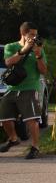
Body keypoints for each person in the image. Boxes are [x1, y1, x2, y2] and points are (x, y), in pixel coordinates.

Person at [0, 22, 48, 159]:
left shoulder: (39, 49)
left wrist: (38, 55)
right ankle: (13, 139)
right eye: (32, 34)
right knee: (4, 117)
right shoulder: (11, 46)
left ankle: (35, 147)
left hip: (30, 88)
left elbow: (44, 70)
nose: (35, 37)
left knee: (31, 120)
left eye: (36, 35)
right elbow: (9, 62)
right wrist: (24, 49)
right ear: (23, 34)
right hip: (12, 88)